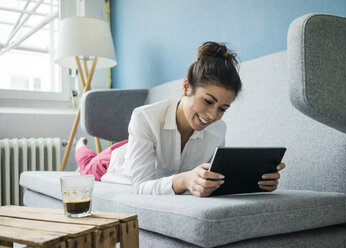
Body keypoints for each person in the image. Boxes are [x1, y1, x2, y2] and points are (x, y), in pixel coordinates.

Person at [75, 41, 286, 197]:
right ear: (186, 87)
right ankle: (80, 145)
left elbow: (208, 179)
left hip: (138, 146)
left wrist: (256, 180)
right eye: (207, 101)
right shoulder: (145, 117)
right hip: (113, 161)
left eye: (223, 108)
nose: (213, 116)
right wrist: (184, 180)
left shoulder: (218, 130)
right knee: (86, 164)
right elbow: (140, 187)